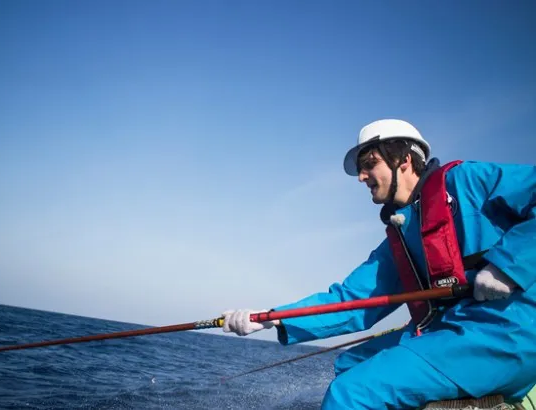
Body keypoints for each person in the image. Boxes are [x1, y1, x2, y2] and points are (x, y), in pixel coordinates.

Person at [221, 119, 536, 409]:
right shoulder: (399, 238)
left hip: (506, 330)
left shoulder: (467, 181)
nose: (361, 177)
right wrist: (273, 319)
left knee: (349, 394)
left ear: (404, 161)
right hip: (452, 331)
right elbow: (353, 301)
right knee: (349, 364)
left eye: (370, 164)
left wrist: (507, 265)